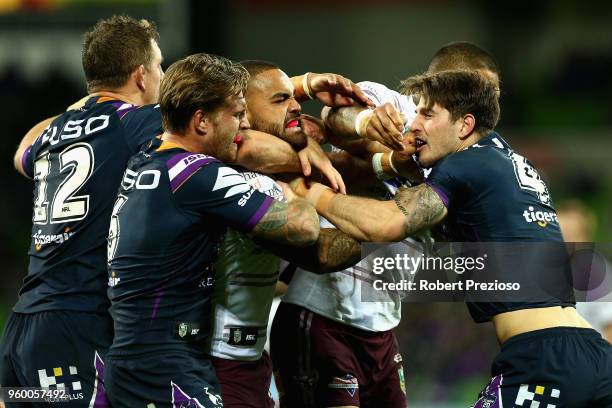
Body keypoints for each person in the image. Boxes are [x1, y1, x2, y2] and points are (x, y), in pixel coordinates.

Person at [290, 70, 612, 407]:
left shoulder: (465, 165)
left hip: (544, 360)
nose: (415, 124)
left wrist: (310, 194)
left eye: (428, 115)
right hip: (592, 352)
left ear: (464, 125)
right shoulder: (510, 162)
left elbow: (386, 225)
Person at [270, 42, 501, 408]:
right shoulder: (396, 106)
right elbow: (335, 119)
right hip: (323, 313)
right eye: (477, 93)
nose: (486, 107)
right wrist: (364, 122)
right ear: (437, 83)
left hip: (382, 327)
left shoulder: (474, 159)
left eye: (491, 97)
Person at [103, 53, 330, 407]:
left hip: (130, 359)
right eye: (238, 116)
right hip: (169, 367)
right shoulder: (199, 174)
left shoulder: (146, 156)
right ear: (201, 121)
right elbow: (302, 229)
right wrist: (296, 192)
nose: (243, 127)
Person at [1, 15, 163, 407]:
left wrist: (82, 107)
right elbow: (220, 124)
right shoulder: (138, 123)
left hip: (24, 325)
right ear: (140, 76)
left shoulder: (54, 132)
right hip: (77, 326)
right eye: (160, 66)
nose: (164, 75)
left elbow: (21, 154)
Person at [207, 60, 364, 408]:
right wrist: (381, 225)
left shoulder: (239, 170)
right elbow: (323, 253)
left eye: (294, 98)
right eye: (280, 100)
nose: (295, 105)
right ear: (242, 113)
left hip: (246, 362)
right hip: (219, 366)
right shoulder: (237, 183)